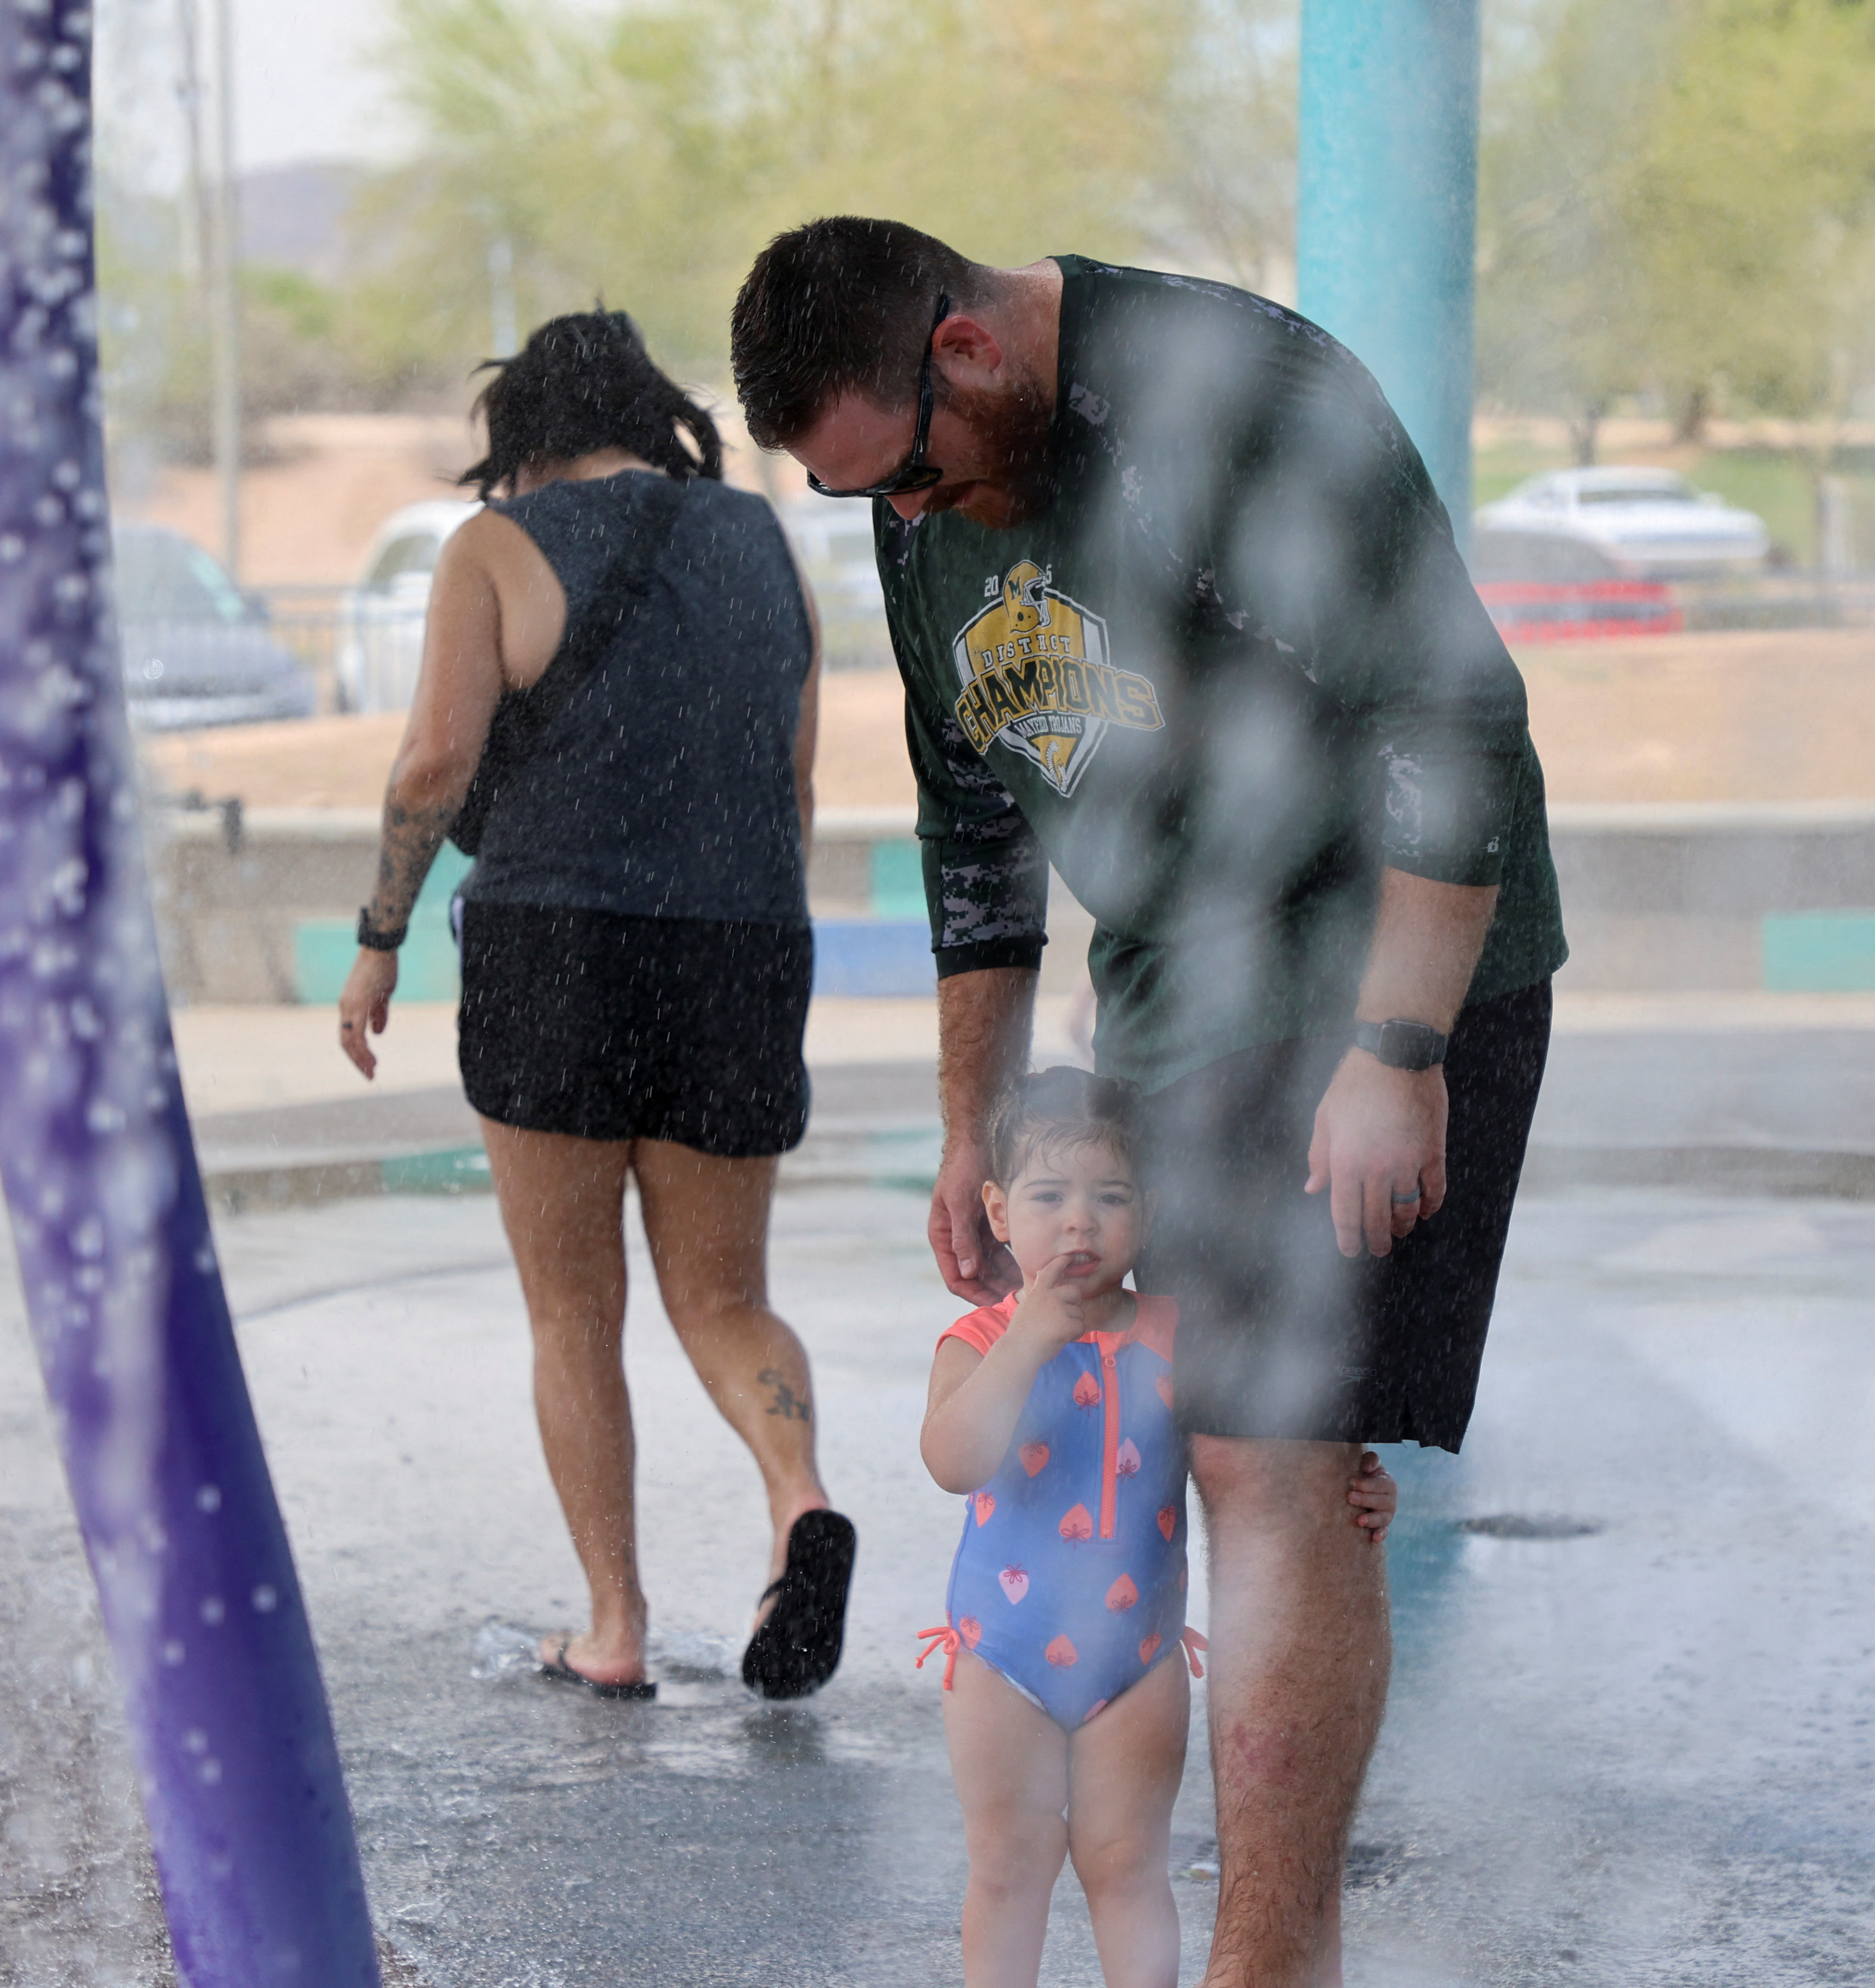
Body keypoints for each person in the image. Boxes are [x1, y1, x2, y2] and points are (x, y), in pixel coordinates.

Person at [731, 220, 1564, 1982]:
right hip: (1178, 996)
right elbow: (975, 835)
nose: (912, 520)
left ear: (965, 346)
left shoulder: (1233, 394)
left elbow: (1451, 712)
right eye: (861, 498)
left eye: (914, 477)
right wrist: (978, 1122)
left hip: (1379, 962)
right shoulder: (920, 518)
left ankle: (1261, 1962)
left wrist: (1398, 1051)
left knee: (1266, 1449)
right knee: (1204, 1436)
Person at [334, 311, 857, 1702]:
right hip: (742, 945)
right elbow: (792, 785)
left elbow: (430, 766)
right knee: (724, 1296)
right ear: (649, 413)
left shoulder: (494, 550)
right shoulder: (761, 542)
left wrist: (379, 934)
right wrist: (752, 940)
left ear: (520, 438)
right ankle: (799, 1498)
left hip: (554, 946)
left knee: (574, 1312)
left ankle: (614, 1627)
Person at [916, 1069, 1395, 1988]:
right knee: (1009, 1867)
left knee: (1126, 1865)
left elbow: (1268, 1460)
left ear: (1150, 1208)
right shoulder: (976, 1341)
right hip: (999, 1657)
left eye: (1110, 1196)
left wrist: (1367, 1486)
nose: (1079, 1223)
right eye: (1049, 1197)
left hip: (1136, 1660)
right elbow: (952, 1459)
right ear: (999, 1210)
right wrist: (1029, 1338)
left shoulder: (1177, 1334)